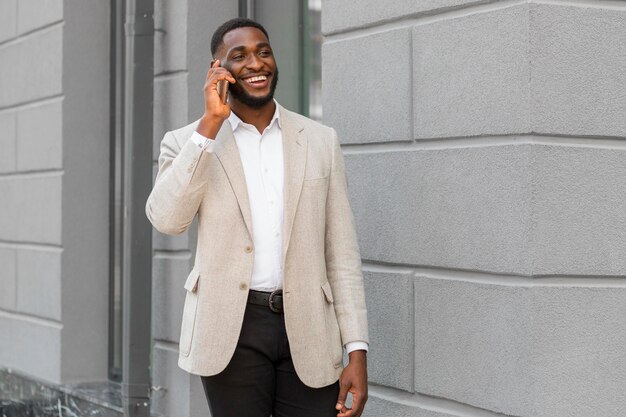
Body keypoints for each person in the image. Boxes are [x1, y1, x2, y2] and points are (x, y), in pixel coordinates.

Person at [146, 18, 369, 417]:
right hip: (231, 328)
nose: (256, 63)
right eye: (240, 55)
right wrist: (210, 125)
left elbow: (342, 255)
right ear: (218, 71)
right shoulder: (186, 142)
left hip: (310, 328)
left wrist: (356, 348)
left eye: (263, 51)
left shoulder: (319, 140)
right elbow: (167, 219)